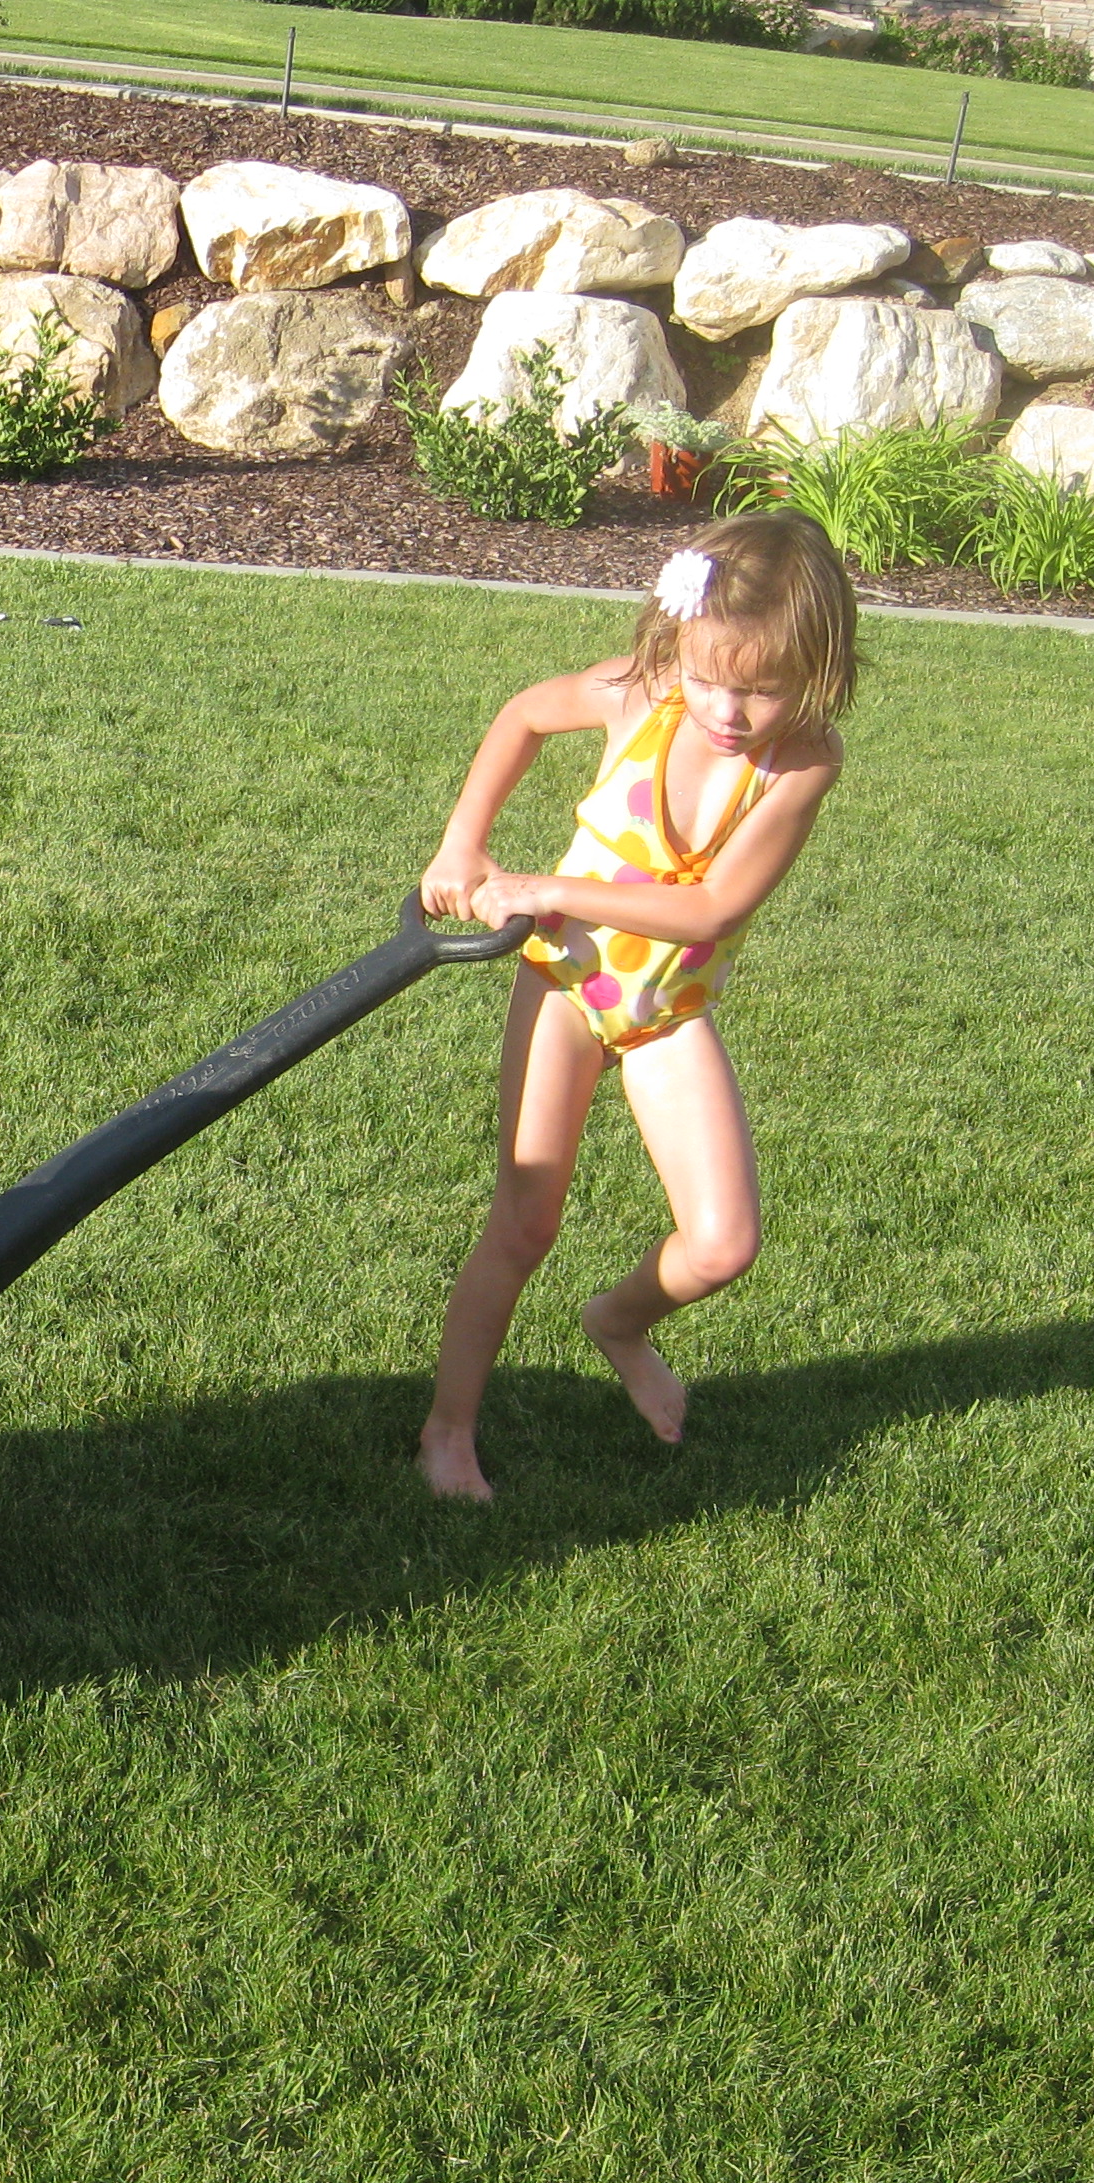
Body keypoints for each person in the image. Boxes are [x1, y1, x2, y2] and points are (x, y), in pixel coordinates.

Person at [415, 511, 856, 1502]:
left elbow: (711, 906)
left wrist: (553, 888)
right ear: (677, 645)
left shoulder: (804, 765)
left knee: (722, 1244)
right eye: (709, 678)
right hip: (568, 986)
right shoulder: (644, 698)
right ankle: (447, 1432)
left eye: (759, 688)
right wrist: (461, 845)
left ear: (820, 667)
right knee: (524, 1224)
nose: (727, 710)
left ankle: (618, 1321)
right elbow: (524, 715)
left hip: (665, 1008)